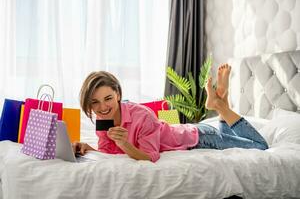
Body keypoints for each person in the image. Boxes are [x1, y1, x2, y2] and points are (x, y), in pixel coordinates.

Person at [72, 64, 268, 162]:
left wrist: (124, 143)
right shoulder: (102, 117)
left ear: (117, 94)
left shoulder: (142, 115)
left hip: (199, 138)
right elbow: (109, 153)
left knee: (260, 145)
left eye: (108, 99)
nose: (102, 107)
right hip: (189, 129)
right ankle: (220, 98)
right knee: (228, 134)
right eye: (94, 102)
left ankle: (220, 105)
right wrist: (88, 148)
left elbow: (150, 157)